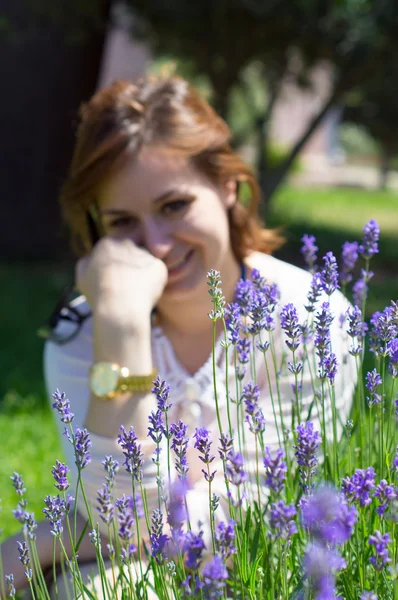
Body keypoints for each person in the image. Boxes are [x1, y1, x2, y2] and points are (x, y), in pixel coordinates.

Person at [2, 75, 356, 596]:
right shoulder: (83, 332)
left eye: (173, 206)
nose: (158, 245)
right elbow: (125, 519)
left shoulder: (311, 321)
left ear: (228, 186)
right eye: (123, 221)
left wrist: (53, 538)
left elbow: (262, 524)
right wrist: (121, 328)